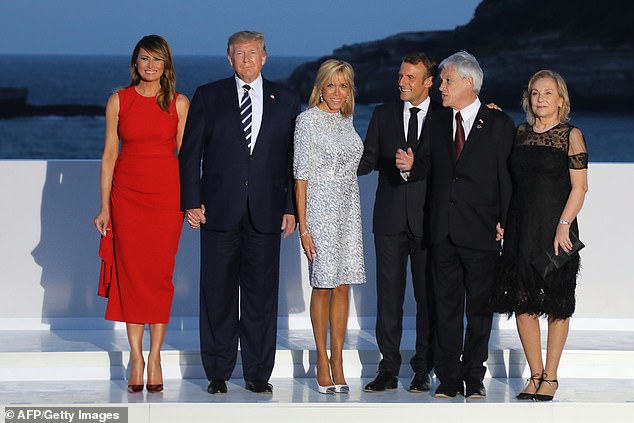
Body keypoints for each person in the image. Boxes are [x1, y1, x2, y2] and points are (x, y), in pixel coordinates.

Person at [179, 30, 300, 395]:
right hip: (217, 211)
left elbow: (295, 159)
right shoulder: (208, 95)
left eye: (252, 53)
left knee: (261, 297)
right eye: (238, 54)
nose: (246, 59)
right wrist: (190, 201)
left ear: (265, 57)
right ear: (228, 59)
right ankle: (217, 372)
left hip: (267, 213)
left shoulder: (288, 99)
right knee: (216, 295)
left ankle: (258, 374)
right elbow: (190, 155)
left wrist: (291, 207)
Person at [396, 51, 514, 399]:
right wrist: (408, 166)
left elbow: (505, 179)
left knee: (479, 311)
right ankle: (448, 378)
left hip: (481, 233)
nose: (440, 87)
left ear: (468, 83)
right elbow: (426, 169)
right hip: (442, 232)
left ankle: (473, 377)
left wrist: (505, 223)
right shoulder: (436, 121)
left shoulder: (499, 125)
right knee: (445, 310)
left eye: (446, 81)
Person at [94, 35, 189, 393]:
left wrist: (194, 202)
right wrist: (104, 206)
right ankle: (136, 357)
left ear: (166, 65)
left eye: (157, 60)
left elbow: (186, 156)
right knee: (131, 278)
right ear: (135, 63)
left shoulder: (180, 104)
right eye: (144, 59)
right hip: (126, 199)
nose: (150, 66)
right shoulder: (119, 101)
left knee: (159, 278)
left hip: (167, 200)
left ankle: (157, 355)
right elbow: (108, 156)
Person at [492, 70, 588, 401]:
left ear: (561, 100)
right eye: (535, 93)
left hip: (556, 230)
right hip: (520, 227)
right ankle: (535, 375)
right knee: (522, 299)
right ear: (528, 99)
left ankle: (551, 376)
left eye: (548, 93)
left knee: (557, 303)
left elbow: (580, 187)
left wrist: (564, 224)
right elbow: (507, 180)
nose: (541, 99)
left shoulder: (571, 135)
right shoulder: (519, 133)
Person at [358, 52, 438, 393]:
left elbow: (453, 163)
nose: (401, 82)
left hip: (429, 221)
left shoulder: (446, 116)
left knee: (427, 298)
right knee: (388, 298)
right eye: (401, 76)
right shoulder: (383, 114)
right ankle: (388, 368)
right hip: (389, 220)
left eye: (410, 78)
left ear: (428, 82)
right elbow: (368, 159)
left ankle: (423, 369)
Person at [294, 59, 366, 394]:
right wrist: (304, 228)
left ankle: (338, 359)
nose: (337, 92)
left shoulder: (347, 120)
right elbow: (301, 176)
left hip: (349, 209)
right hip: (320, 210)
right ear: (320, 87)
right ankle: (322, 360)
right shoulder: (307, 121)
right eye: (331, 85)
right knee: (323, 285)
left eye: (344, 85)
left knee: (342, 286)